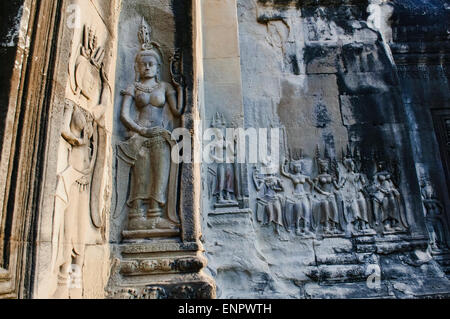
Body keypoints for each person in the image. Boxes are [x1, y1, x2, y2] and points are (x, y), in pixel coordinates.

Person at [118, 19, 184, 230]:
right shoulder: (133, 87)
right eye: (143, 64)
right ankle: (136, 215)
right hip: (139, 135)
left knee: (160, 172)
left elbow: (177, 111)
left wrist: (180, 86)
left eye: (151, 64)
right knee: (141, 175)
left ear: (157, 67)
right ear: (137, 66)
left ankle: (156, 213)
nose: (147, 67)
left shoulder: (164, 87)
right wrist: (141, 130)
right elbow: (123, 116)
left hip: (159, 135)